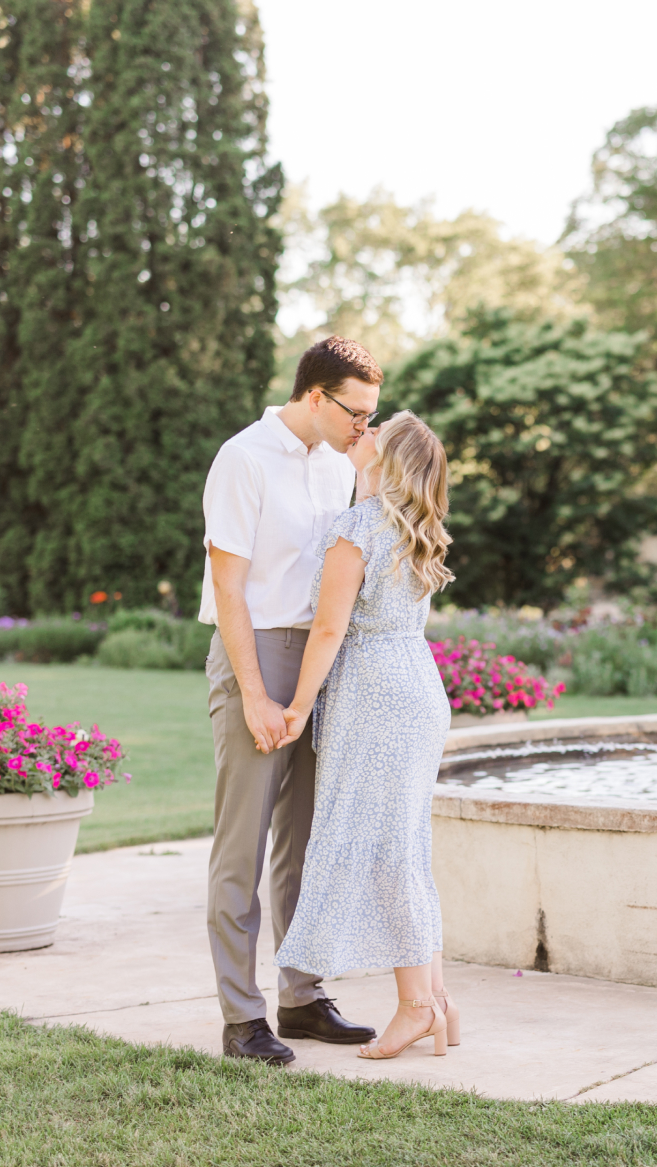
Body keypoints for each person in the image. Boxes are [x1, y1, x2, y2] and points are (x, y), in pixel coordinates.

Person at [201, 336, 383, 1066]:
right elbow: (228, 588)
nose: (365, 428)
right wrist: (253, 693)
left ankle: (301, 998)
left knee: (306, 842)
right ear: (316, 396)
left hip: (317, 664)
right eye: (357, 413)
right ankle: (241, 1020)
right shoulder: (242, 459)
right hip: (257, 654)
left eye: (373, 415)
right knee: (240, 848)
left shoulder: (340, 466)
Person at [273, 411, 459, 1060]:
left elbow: (328, 631)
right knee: (407, 846)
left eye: (377, 428)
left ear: (388, 456)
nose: (364, 429)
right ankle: (436, 1001)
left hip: (375, 695)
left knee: (386, 852)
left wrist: (296, 706)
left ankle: (413, 1008)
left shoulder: (357, 528)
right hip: (416, 685)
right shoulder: (414, 529)